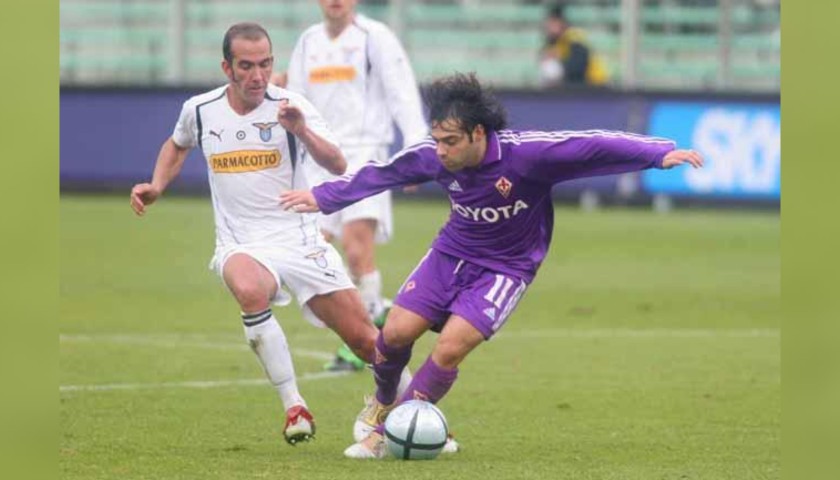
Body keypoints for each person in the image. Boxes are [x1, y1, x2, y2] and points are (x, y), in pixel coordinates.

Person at [279, 72, 704, 458]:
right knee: (394, 333)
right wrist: (324, 198)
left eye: (450, 141)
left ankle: (389, 433)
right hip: (451, 253)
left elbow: (592, 145)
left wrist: (658, 154)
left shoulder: (528, 156)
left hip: (507, 267)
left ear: (478, 133)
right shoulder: (434, 155)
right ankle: (383, 400)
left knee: (450, 348)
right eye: (437, 139)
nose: (440, 151)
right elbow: (381, 173)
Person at [129, 22, 410, 447]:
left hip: (301, 241)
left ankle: (421, 413)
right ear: (228, 67)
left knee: (366, 340)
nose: (258, 75)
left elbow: (336, 164)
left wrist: (301, 129)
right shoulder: (201, 110)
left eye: (265, 64)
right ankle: (294, 405)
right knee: (247, 286)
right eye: (246, 66)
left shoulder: (291, 105)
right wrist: (156, 185)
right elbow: (177, 144)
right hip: (241, 243)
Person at [275, 0, 428, 373]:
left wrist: (416, 154)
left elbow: (402, 93)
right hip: (322, 159)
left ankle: (359, 343)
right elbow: (295, 101)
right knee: (312, 252)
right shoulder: (308, 41)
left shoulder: (375, 37)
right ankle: (377, 310)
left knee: (358, 251)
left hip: (365, 156)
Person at [539, 3, 609, 87]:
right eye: (548, 24)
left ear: (562, 23)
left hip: (595, 85)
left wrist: (558, 60)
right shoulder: (553, 42)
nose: (549, 27)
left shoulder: (574, 37)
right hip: (577, 87)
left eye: (552, 23)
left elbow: (578, 67)